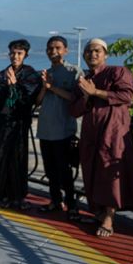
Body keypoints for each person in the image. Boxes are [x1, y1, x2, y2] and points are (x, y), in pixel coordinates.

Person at [69, 38, 133, 237]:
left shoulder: (118, 72)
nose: (92, 55)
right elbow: (74, 110)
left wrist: (96, 92)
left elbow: (126, 96)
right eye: (88, 52)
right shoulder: (84, 80)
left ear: (105, 54)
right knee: (92, 172)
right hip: (90, 133)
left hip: (113, 132)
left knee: (110, 175)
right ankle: (99, 213)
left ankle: (110, 218)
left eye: (97, 51)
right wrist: (86, 96)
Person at [0, 39, 41, 209]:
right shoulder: (2, 74)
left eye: (19, 53)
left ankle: (18, 196)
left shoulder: (30, 74)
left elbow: (29, 98)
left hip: (19, 122)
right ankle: (0, 193)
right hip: (3, 122)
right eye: (12, 53)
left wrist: (15, 85)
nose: (15, 56)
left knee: (18, 158)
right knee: (1, 157)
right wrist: (7, 87)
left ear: (26, 55)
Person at [36, 36, 82, 220]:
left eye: (57, 48)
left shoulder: (73, 72)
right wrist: (44, 87)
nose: (53, 51)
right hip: (45, 129)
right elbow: (38, 101)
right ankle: (55, 201)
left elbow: (75, 98)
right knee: (50, 171)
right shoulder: (45, 72)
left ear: (66, 50)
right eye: (49, 48)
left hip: (64, 130)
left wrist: (52, 87)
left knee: (65, 171)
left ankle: (71, 204)